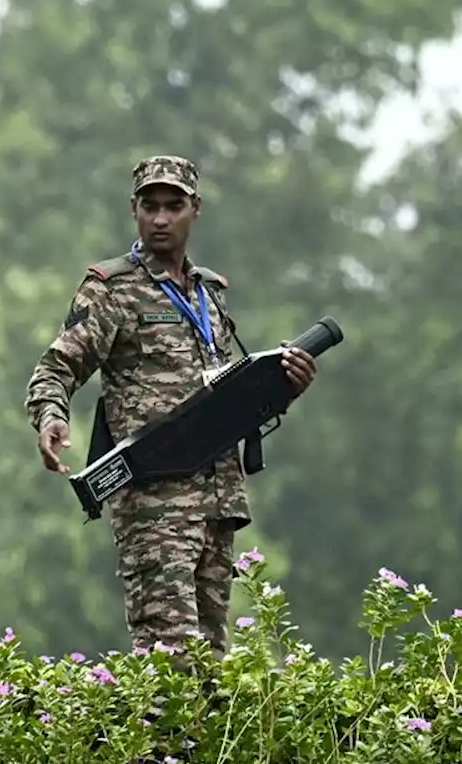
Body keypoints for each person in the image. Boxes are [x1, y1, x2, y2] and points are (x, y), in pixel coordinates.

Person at [24, 155, 317, 660]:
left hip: (217, 499)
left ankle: (195, 744)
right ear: (134, 210)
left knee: (210, 661)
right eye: (150, 206)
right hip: (154, 503)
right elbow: (56, 367)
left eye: (174, 206)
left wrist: (284, 386)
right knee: (169, 658)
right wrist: (51, 416)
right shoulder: (112, 289)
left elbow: (225, 395)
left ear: (195, 210)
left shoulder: (211, 293)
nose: (161, 218)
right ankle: (162, 745)